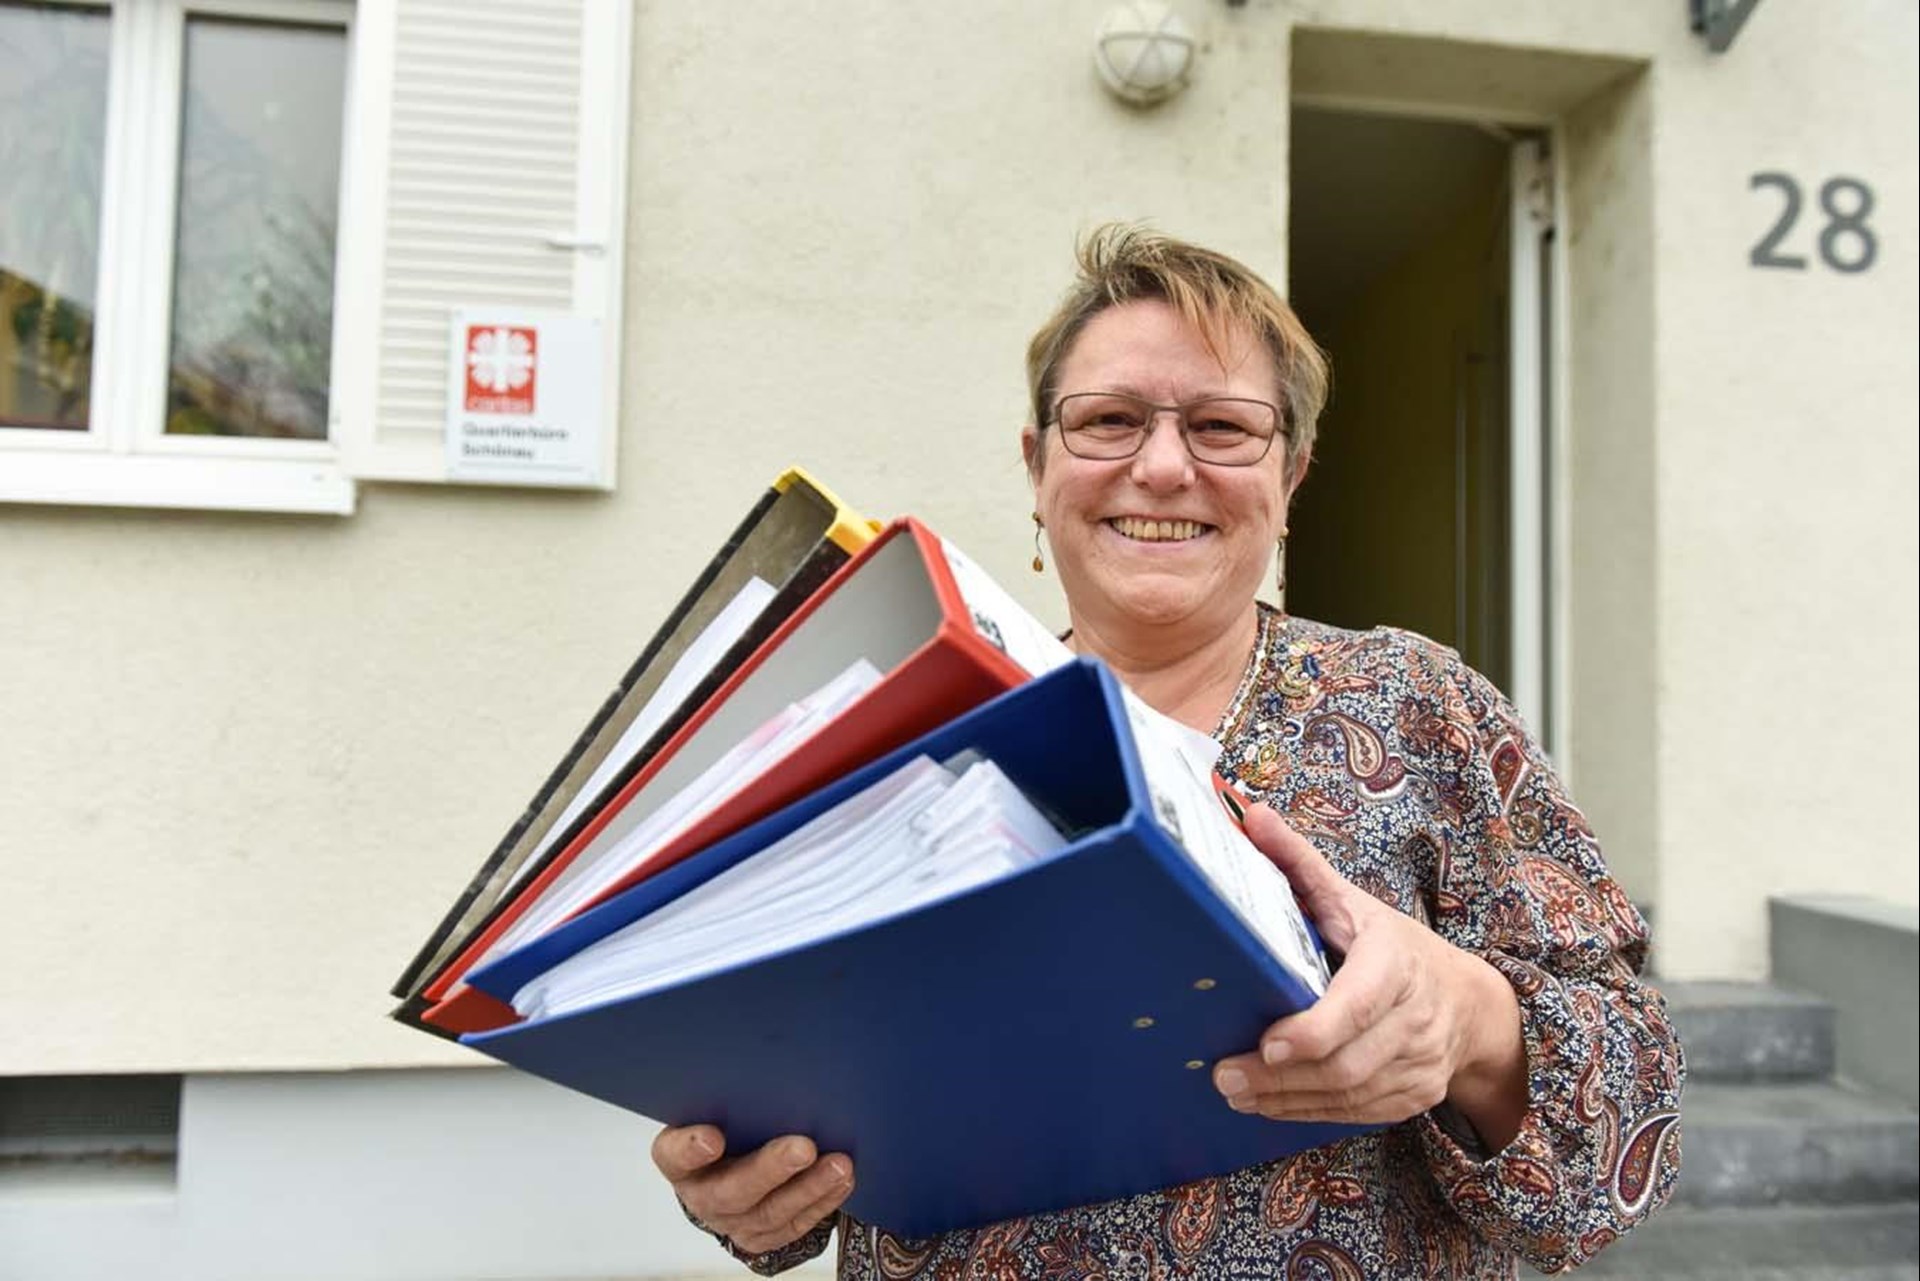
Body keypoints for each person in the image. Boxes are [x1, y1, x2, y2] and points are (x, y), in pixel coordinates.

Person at [649, 225, 1685, 1278]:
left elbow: (1627, 1132)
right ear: (1036, 465)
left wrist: (1470, 1020)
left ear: (1292, 474)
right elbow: (795, 1082)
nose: (1160, 466)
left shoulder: (1422, 710)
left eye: (1223, 427)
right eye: (1107, 421)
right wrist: (752, 1190)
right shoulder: (903, 731)